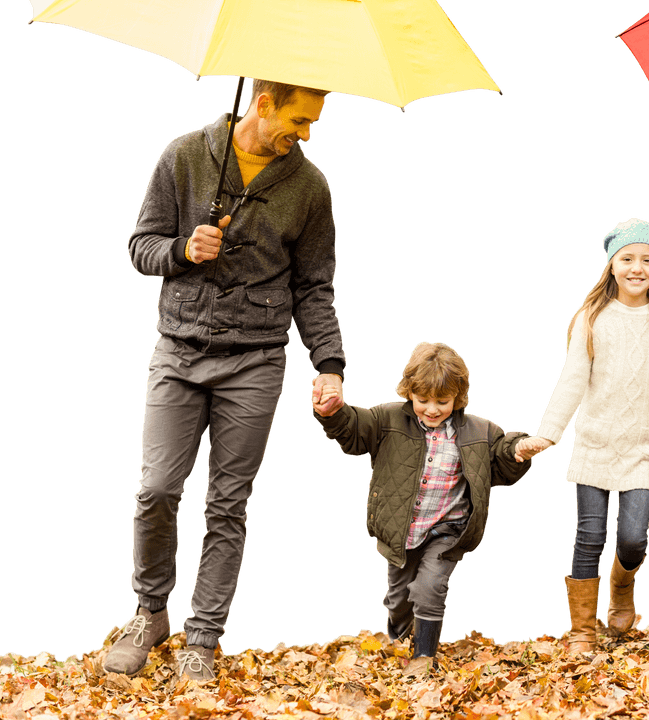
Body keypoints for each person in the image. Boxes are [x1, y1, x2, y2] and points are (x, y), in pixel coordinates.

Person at [103, 79, 347, 681]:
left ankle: (202, 639)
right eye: (300, 119)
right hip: (178, 352)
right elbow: (140, 246)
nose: (307, 134)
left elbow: (314, 286)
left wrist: (330, 365)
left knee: (227, 506)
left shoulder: (309, 187)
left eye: (314, 122)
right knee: (157, 490)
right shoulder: (184, 155)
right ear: (263, 102)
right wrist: (184, 249)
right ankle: (150, 614)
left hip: (256, 361)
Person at [514, 219, 649, 656]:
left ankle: (622, 584)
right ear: (611, 265)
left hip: (644, 447)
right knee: (589, 536)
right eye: (627, 259)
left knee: (632, 538)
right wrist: (548, 435)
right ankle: (583, 630)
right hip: (595, 443)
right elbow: (572, 380)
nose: (636, 268)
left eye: (647, 259)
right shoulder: (593, 317)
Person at [312, 342, 534, 677]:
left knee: (430, 587)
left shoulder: (480, 431)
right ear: (409, 393)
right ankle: (398, 641)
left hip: (448, 530)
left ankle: (424, 657)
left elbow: (500, 463)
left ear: (457, 398)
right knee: (399, 598)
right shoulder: (387, 420)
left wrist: (517, 450)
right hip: (402, 530)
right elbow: (354, 430)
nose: (432, 409)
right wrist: (332, 413)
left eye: (442, 402)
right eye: (423, 400)